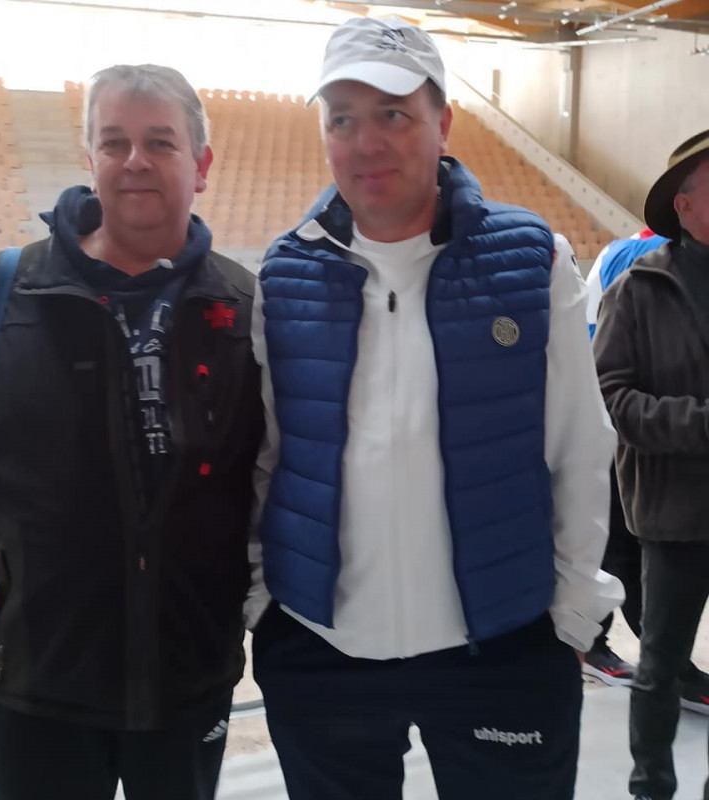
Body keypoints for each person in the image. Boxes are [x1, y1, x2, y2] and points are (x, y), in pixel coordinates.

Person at [246, 16, 623, 800]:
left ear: (443, 122)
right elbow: (267, 454)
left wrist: (572, 614)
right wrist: (262, 602)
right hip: (321, 647)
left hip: (504, 644)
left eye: (393, 114)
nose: (366, 142)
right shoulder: (286, 272)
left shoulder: (533, 259)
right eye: (342, 119)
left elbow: (580, 446)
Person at [0, 64, 263, 800]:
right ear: (90, 158)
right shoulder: (3, 294)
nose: (135, 160)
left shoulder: (241, 304)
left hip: (189, 676)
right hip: (45, 680)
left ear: (200, 165)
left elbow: (269, 484)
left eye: (160, 142)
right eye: (114, 142)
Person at [594, 129, 709, 800]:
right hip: (672, 514)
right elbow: (614, 401)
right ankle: (651, 787)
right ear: (684, 205)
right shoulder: (638, 289)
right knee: (662, 665)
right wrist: (702, 423)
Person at [583, 231, 709, 715]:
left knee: (619, 551)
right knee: (622, 551)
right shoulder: (635, 266)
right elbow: (607, 371)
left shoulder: (624, 253)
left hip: (645, 447)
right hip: (633, 448)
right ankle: (605, 649)